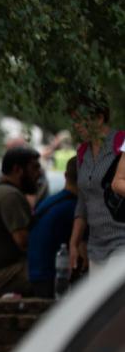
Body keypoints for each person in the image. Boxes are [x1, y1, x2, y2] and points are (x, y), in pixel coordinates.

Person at [0, 147, 42, 297]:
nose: (39, 173)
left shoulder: (5, 191)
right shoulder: (10, 195)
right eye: (34, 168)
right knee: (44, 268)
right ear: (18, 169)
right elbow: (24, 242)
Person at [70, 94, 125, 272]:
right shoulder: (82, 153)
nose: (76, 125)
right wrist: (74, 242)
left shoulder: (121, 145)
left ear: (100, 118)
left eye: (81, 120)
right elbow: (82, 201)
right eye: (74, 120)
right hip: (96, 246)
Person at [28, 156, 78, 298]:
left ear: (65, 176)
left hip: (35, 272)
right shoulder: (74, 208)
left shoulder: (49, 202)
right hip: (52, 277)